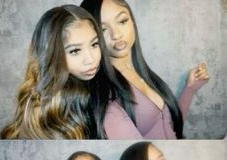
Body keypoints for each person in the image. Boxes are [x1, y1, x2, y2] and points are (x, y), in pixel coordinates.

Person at [81, 0, 210, 139]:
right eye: (103, 29)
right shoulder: (106, 95)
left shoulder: (139, 71)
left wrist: (190, 88)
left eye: (122, 21)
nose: (116, 35)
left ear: (132, 22)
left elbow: (171, 129)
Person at [0, 5, 132, 139]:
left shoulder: (103, 85)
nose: (91, 59)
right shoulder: (46, 106)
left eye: (94, 44)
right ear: (52, 54)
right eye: (75, 51)